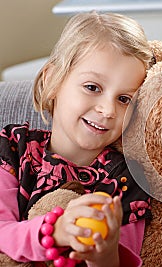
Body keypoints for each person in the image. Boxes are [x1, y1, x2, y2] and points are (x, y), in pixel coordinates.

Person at [0, 11, 153, 267]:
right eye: (92, 87)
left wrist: (103, 255)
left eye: (124, 99)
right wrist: (54, 232)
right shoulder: (12, 149)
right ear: (52, 81)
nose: (108, 110)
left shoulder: (127, 180)